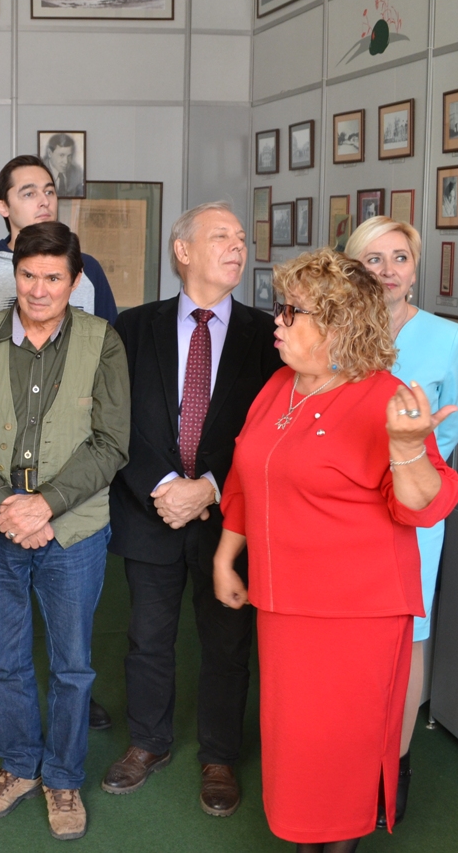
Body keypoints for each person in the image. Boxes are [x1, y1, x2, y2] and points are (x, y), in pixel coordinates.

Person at [212, 249, 458, 852]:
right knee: (296, 747)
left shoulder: (384, 397)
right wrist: (225, 556)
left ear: (338, 324)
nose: (276, 321)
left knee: (342, 751)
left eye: (291, 311)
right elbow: (248, 477)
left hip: (357, 616)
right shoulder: (279, 386)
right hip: (285, 605)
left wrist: (407, 446)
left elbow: (423, 505)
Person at [0, 222, 130, 842]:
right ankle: (20, 766)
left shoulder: (103, 341)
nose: (39, 289)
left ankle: (64, 777)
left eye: (53, 277)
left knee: (73, 665)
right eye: (28, 275)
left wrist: (44, 505)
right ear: (14, 274)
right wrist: (7, 505)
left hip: (73, 529)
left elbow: (111, 444)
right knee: (4, 660)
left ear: (75, 282)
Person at [103, 203, 283, 815]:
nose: (238, 247)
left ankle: (220, 756)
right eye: (221, 236)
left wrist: (209, 485)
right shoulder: (133, 327)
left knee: (228, 644)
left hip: (230, 518)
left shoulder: (269, 335)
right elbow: (113, 420)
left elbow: (271, 429)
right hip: (148, 509)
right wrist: (162, 486)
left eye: (242, 238)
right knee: (147, 638)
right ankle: (147, 743)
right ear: (183, 251)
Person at [344, 217, 458, 826]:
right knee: (346, 640)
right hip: (343, 513)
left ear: (415, 268)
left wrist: (401, 477)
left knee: (406, 641)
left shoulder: (446, 338)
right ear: (353, 267)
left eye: (400, 257)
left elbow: (449, 433)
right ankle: (341, 761)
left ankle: (393, 765)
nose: (388, 270)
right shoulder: (333, 331)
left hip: (411, 514)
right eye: (374, 258)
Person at [40, 133, 84, 198]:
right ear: (49, 153)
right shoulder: (40, 171)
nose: (66, 162)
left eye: (69, 156)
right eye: (61, 155)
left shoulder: (77, 173)